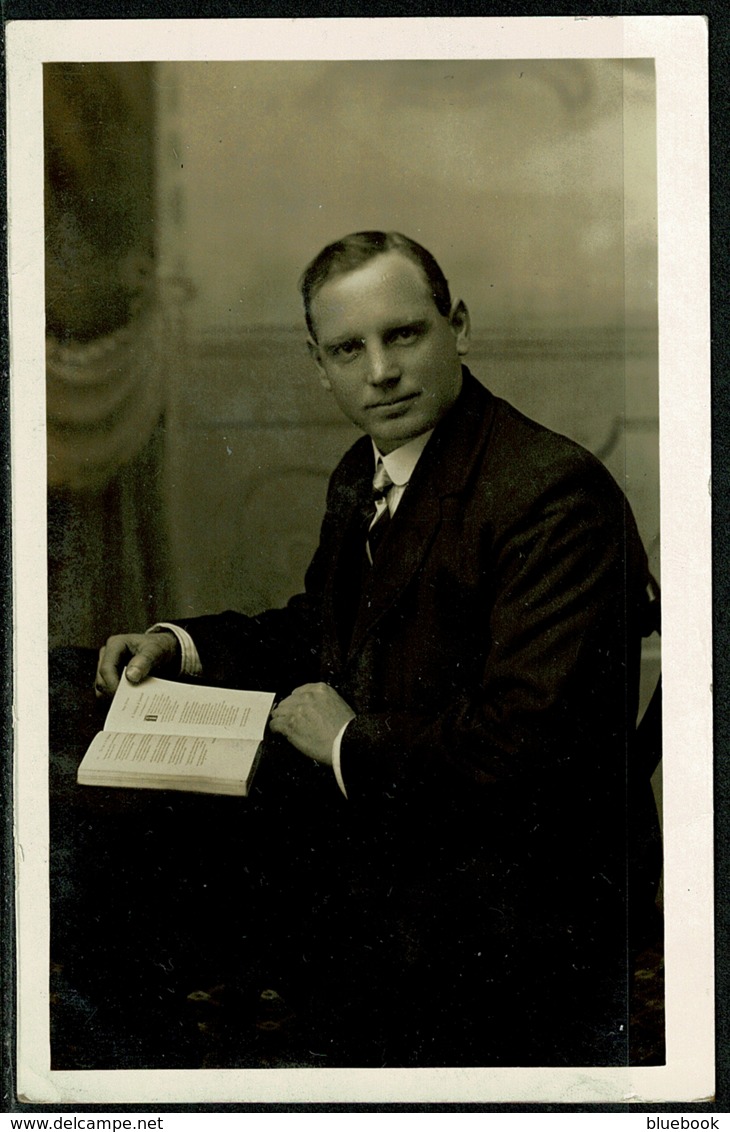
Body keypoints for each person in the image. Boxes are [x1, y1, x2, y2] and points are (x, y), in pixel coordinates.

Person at [94, 231, 660, 1067]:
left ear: (457, 327)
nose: (381, 372)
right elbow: (326, 630)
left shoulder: (551, 493)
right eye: (348, 349)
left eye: (404, 335)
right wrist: (181, 646)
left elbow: (526, 742)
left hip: (526, 893)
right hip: (412, 841)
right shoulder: (368, 469)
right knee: (122, 849)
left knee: (168, 900)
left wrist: (346, 741)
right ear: (319, 365)